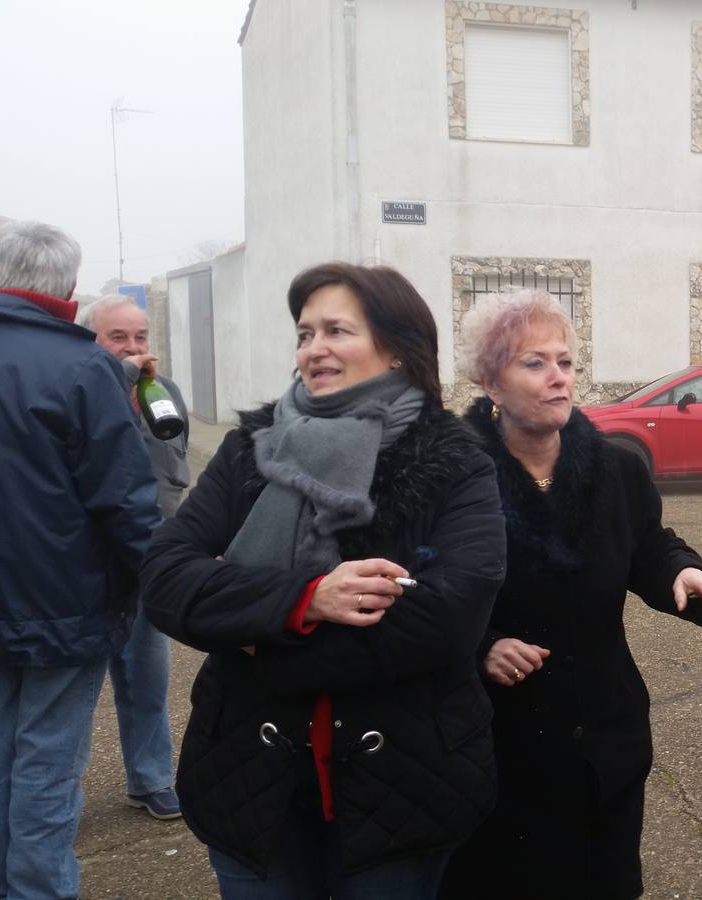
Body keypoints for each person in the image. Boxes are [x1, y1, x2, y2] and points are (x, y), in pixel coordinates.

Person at [140, 262, 506, 898]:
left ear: (396, 348)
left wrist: (252, 634)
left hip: (404, 785)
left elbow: (447, 619)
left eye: (337, 330)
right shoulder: (248, 447)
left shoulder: (454, 458)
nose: (315, 348)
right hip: (249, 780)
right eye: (305, 333)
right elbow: (167, 578)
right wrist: (305, 600)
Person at [438, 290, 702, 900]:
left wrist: (681, 572)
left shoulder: (614, 469)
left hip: (604, 741)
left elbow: (648, 544)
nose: (559, 378)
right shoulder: (450, 478)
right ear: (489, 383)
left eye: (566, 362)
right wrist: (482, 648)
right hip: (499, 747)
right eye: (535, 363)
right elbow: (418, 591)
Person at [0, 221, 162, 900]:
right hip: (66, 609)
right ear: (71, 290)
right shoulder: (85, 369)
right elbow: (126, 501)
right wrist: (167, 582)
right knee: (46, 768)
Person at [79, 294, 189, 821]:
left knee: (147, 671)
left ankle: (150, 778)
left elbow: (176, 465)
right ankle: (59, 792)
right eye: (117, 337)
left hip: (152, 552)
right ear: (91, 340)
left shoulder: (163, 392)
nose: (134, 347)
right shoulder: (78, 392)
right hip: (90, 561)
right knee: (77, 685)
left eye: (139, 337)